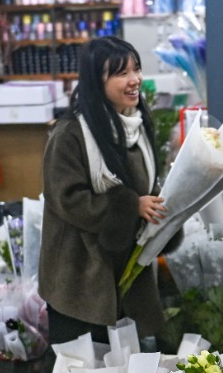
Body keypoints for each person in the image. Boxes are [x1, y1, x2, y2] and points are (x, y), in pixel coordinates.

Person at [39, 36, 169, 345]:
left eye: (136, 69)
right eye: (121, 73)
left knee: (128, 370)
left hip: (126, 269)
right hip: (79, 277)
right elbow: (67, 199)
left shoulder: (136, 127)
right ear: (97, 81)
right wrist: (130, 207)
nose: (134, 80)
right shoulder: (70, 132)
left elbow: (147, 184)